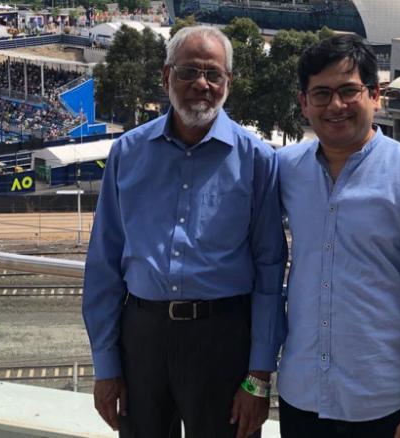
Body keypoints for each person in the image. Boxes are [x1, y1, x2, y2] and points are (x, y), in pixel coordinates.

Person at [82, 25, 286, 438]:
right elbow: (103, 263)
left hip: (223, 338)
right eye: (188, 72)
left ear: (229, 82)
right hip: (141, 337)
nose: (202, 85)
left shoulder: (258, 159)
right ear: (165, 76)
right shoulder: (127, 152)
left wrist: (259, 377)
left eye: (214, 74)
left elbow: (270, 271)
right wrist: (106, 366)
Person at [276, 34, 400, 437]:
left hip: (382, 406)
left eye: (348, 91)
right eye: (321, 94)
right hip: (300, 397)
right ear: (303, 102)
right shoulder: (285, 169)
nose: (335, 106)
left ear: (375, 95)